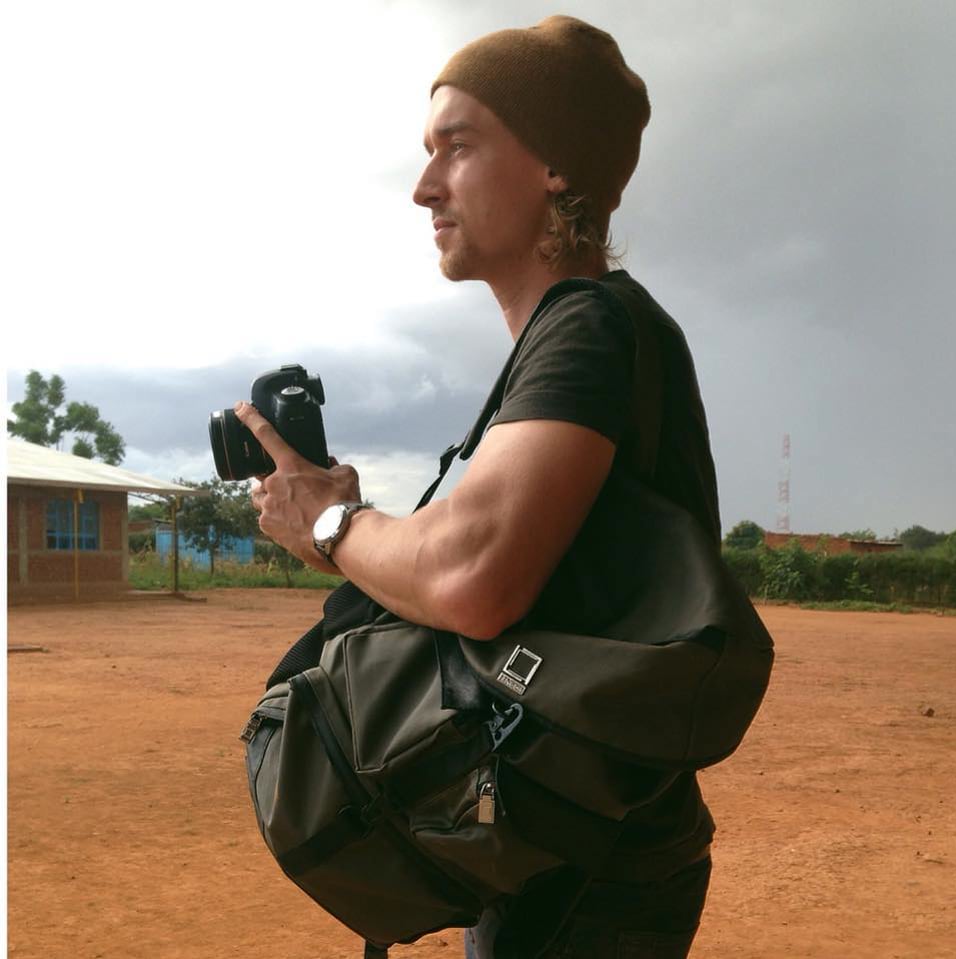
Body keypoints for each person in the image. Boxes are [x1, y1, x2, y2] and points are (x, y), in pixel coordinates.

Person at [237, 15, 719, 959]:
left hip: (586, 881)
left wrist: (332, 521)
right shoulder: (584, 333)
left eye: (456, 147)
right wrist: (356, 530)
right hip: (570, 847)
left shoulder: (586, 326)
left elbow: (474, 577)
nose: (424, 186)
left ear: (555, 165)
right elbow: (502, 566)